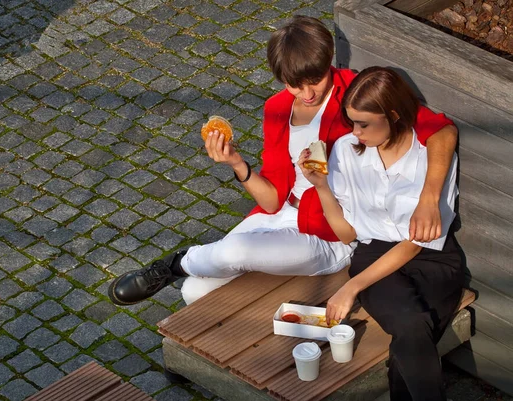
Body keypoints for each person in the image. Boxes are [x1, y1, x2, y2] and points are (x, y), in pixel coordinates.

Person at [108, 16, 459, 306]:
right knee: (196, 290)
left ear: (328, 61)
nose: (307, 93)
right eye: (295, 84)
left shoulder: (355, 93)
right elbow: (273, 199)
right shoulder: (276, 109)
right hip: (281, 216)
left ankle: (171, 264)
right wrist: (236, 164)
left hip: (329, 234)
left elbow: (442, 131)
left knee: (234, 250)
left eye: (316, 80)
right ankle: (188, 364)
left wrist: (429, 199)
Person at [299, 66, 463, 401]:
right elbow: (347, 235)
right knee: (411, 325)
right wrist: (322, 187)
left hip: (432, 257)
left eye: (363, 123)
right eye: (351, 122)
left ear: (393, 115)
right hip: (372, 254)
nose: (354, 131)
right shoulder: (346, 150)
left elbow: (417, 243)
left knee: (409, 336)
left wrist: (351, 288)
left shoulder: (427, 159)